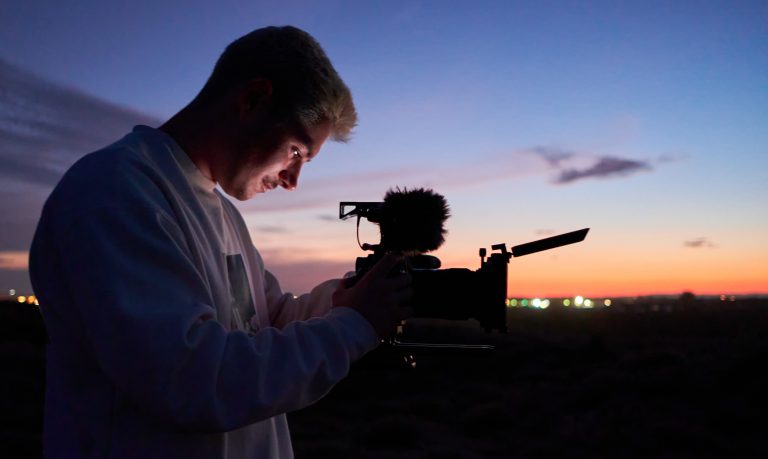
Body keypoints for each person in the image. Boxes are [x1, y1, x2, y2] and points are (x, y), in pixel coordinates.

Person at [29, 26, 413, 459]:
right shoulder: (114, 191)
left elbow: (268, 321)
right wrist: (352, 327)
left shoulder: (219, 209)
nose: (292, 181)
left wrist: (350, 299)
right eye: (296, 152)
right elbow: (190, 381)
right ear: (252, 100)